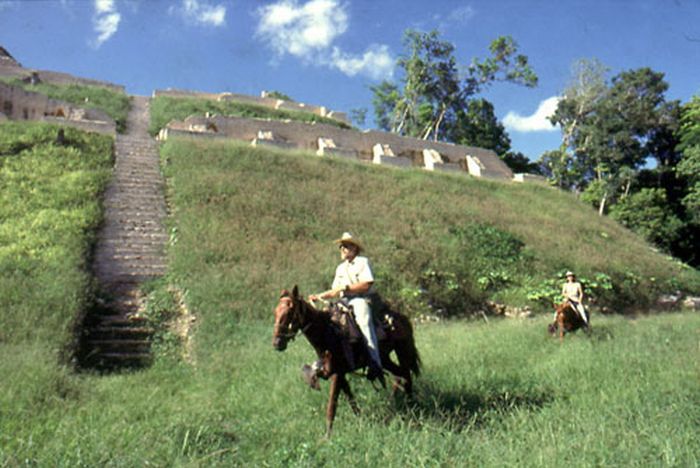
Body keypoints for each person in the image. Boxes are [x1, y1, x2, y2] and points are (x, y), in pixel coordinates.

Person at [304, 232, 384, 386]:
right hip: (343, 302)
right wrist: (319, 295)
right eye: (341, 246)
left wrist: (346, 288)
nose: (342, 248)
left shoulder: (362, 262)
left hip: (361, 299)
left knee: (363, 321)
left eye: (345, 246)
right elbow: (335, 290)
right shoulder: (340, 268)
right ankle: (326, 360)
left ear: (354, 248)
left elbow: (367, 283)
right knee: (327, 322)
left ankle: (375, 362)